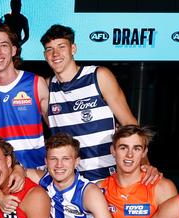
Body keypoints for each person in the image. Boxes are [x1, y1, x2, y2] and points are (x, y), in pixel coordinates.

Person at [40, 24, 138, 181]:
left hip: (107, 177)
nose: (55, 53)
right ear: (45, 55)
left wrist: (144, 163)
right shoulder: (45, 87)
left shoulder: (98, 76)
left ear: (73, 49)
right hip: (70, 181)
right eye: (49, 49)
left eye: (61, 47)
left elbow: (129, 123)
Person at [0, 23, 48, 169]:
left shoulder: (36, 83)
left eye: (4, 45)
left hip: (36, 173)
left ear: (13, 50)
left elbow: (57, 128)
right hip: (1, 177)